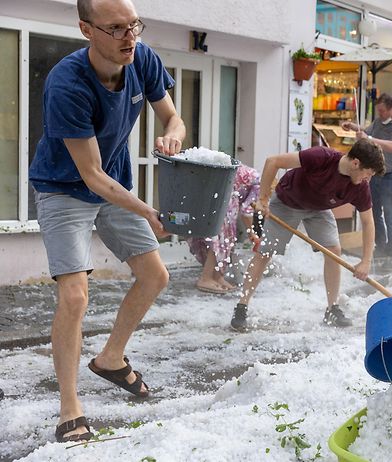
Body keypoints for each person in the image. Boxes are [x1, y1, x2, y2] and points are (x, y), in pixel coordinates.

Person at [28, 0, 185, 443]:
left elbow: (172, 116)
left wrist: (173, 133)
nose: (129, 37)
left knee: (155, 276)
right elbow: (90, 174)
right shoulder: (67, 84)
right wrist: (149, 212)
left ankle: (111, 358)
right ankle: (69, 408)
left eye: (133, 24)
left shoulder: (143, 58)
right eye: (115, 28)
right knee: (75, 297)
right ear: (86, 29)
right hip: (65, 188)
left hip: (113, 185)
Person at [230, 139, 385, 331]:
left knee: (333, 251)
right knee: (264, 253)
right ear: (355, 163)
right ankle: (242, 306)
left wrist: (366, 261)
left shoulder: (360, 187)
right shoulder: (321, 157)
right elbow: (273, 161)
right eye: (367, 174)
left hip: (319, 209)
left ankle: (332, 308)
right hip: (287, 202)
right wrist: (262, 198)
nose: (367, 179)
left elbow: (368, 222)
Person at [342, 94, 392, 272]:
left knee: (390, 215)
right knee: (374, 212)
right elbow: (368, 131)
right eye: (378, 110)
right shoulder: (379, 122)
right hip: (377, 174)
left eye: (382, 111)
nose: (380, 114)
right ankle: (380, 248)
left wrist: (369, 139)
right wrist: (354, 127)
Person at [187, 164, 261, 294]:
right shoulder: (260, 187)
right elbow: (246, 211)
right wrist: (252, 233)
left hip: (212, 190)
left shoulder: (257, 177)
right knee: (221, 240)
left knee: (223, 239)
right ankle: (206, 278)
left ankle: (217, 276)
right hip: (224, 195)